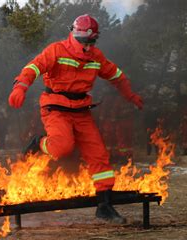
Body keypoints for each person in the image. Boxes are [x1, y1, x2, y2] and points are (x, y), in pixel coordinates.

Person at [8, 14, 143, 224]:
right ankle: (39, 143)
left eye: (91, 42)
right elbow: (33, 68)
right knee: (62, 148)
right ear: (74, 35)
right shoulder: (56, 50)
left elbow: (117, 76)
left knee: (98, 155)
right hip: (56, 108)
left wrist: (130, 95)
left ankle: (104, 206)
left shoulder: (96, 57)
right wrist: (20, 87)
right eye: (84, 42)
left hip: (81, 111)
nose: (87, 47)